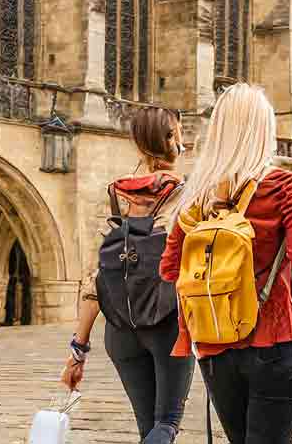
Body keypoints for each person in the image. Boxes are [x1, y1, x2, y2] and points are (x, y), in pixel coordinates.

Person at [159, 84, 292, 444]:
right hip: (275, 340)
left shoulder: (198, 194)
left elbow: (170, 269)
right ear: (263, 130)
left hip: (215, 346)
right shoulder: (282, 185)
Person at [61, 107, 194, 444]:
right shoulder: (187, 194)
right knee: (166, 424)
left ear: (137, 144)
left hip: (120, 331)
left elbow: (96, 279)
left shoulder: (116, 194)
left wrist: (78, 349)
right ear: (173, 140)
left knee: (147, 428)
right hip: (167, 324)